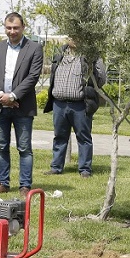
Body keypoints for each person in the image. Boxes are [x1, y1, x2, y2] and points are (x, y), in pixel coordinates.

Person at [0, 12, 43, 195]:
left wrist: (13, 96)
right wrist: (1, 95)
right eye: (8, 28)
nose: (12, 31)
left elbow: (33, 76)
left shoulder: (34, 48)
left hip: (22, 106)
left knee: (24, 148)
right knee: (1, 146)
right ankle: (3, 183)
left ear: (23, 27)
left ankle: (25, 185)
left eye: (16, 28)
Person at [44, 39, 105, 178]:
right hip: (59, 104)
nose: (74, 39)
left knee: (84, 137)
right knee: (59, 137)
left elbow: (101, 80)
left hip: (80, 105)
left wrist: (93, 68)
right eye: (71, 36)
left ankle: (85, 169)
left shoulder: (91, 56)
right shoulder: (60, 54)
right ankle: (56, 167)